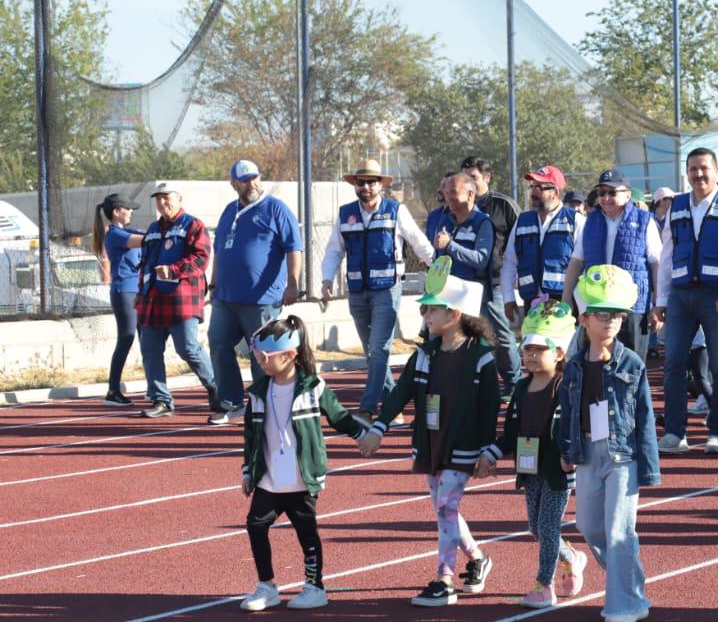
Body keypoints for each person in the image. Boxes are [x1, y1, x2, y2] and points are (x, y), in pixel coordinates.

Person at [359, 257, 499, 607]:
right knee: (443, 507)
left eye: (431, 310)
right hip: (429, 442)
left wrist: (488, 450)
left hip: (463, 445)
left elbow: (489, 407)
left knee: (447, 506)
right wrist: (379, 427)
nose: (425, 316)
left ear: (453, 314)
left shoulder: (481, 357)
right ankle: (478, 558)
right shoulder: (425, 354)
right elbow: (401, 391)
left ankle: (444, 578)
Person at [238, 315, 368, 612]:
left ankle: (314, 586)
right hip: (269, 478)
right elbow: (250, 436)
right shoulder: (258, 394)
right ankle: (267, 586)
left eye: (265, 356)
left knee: (306, 532)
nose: (260, 361)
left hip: (301, 478)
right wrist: (248, 470)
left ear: (290, 355)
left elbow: (338, 416)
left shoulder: (313, 387)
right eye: (257, 355)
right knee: (256, 525)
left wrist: (363, 434)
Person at [556, 265, 660, 622]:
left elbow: (645, 415)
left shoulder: (631, 363)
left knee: (618, 530)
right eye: (603, 314)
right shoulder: (573, 367)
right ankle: (625, 572)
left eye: (617, 314)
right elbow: (567, 411)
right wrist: (566, 450)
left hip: (622, 456)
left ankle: (624, 603)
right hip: (587, 453)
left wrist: (649, 467)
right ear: (584, 319)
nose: (612, 320)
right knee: (589, 526)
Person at [476, 299, 587, 609]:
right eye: (527, 349)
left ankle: (543, 584)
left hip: (557, 469)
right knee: (535, 528)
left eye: (540, 349)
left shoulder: (566, 387)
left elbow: (577, 425)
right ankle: (572, 557)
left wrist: (571, 454)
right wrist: (492, 453)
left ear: (560, 353)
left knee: (549, 526)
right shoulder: (521, 390)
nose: (531, 355)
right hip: (530, 468)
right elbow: (512, 433)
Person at [654, 149, 718, 455]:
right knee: (672, 365)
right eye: (693, 169)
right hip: (681, 296)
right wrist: (661, 300)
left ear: (716, 171)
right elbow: (667, 255)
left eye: (704, 168)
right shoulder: (678, 205)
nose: (699, 174)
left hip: (717, 298)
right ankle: (675, 433)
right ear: (687, 173)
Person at [321, 160, 434, 422]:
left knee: (379, 348)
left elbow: (419, 242)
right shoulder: (345, 214)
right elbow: (334, 250)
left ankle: (367, 408)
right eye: (362, 182)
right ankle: (394, 406)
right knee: (371, 351)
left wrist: (437, 268)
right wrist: (326, 280)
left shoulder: (396, 211)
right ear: (355, 185)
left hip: (387, 289)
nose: (367, 186)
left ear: (381, 185)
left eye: (372, 181)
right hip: (357, 291)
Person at [208, 160, 303, 426]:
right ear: (233, 184)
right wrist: (213, 284)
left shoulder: (276, 209)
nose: (251, 184)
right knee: (218, 343)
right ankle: (231, 402)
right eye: (244, 180)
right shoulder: (229, 211)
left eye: (254, 178)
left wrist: (293, 283)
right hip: (226, 297)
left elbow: (294, 248)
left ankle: (265, 404)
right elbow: (219, 251)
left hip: (261, 298)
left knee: (262, 353)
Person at [135, 184, 223, 419]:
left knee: (187, 347)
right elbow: (144, 263)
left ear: (179, 199)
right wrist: (140, 291)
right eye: (158, 199)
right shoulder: (153, 229)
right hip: (152, 300)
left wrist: (174, 270)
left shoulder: (194, 225)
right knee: (150, 351)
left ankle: (216, 387)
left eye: (167, 198)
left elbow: (201, 257)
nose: (163, 203)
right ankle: (161, 400)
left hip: (182, 299)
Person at [564, 169, 661, 363]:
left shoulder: (645, 221)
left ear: (627, 194)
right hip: (596, 306)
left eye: (612, 192)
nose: (606, 198)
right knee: (596, 362)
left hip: (633, 308)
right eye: (602, 193)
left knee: (631, 365)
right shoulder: (590, 221)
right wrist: (566, 301)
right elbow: (576, 262)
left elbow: (657, 264)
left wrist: (658, 304)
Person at [460, 156, 521, 392]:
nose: (469, 183)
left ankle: (514, 384)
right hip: (468, 283)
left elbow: (522, 238)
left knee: (503, 335)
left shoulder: (504, 205)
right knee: (472, 335)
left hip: (496, 282)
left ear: (486, 178)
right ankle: (481, 385)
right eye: (464, 178)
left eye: (473, 178)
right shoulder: (459, 207)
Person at [501, 165, 583, 325]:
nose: (534, 192)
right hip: (531, 303)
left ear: (555, 192)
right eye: (532, 187)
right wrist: (508, 298)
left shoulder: (575, 221)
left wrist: (577, 304)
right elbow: (509, 262)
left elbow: (583, 265)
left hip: (564, 304)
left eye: (540, 187)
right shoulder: (522, 221)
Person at [92, 192, 144, 407]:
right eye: (127, 208)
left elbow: (143, 236)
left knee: (147, 337)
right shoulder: (115, 235)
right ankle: (113, 390)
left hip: (137, 291)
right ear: (116, 212)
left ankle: (154, 389)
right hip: (124, 291)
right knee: (126, 337)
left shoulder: (125, 231)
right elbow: (144, 240)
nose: (131, 212)